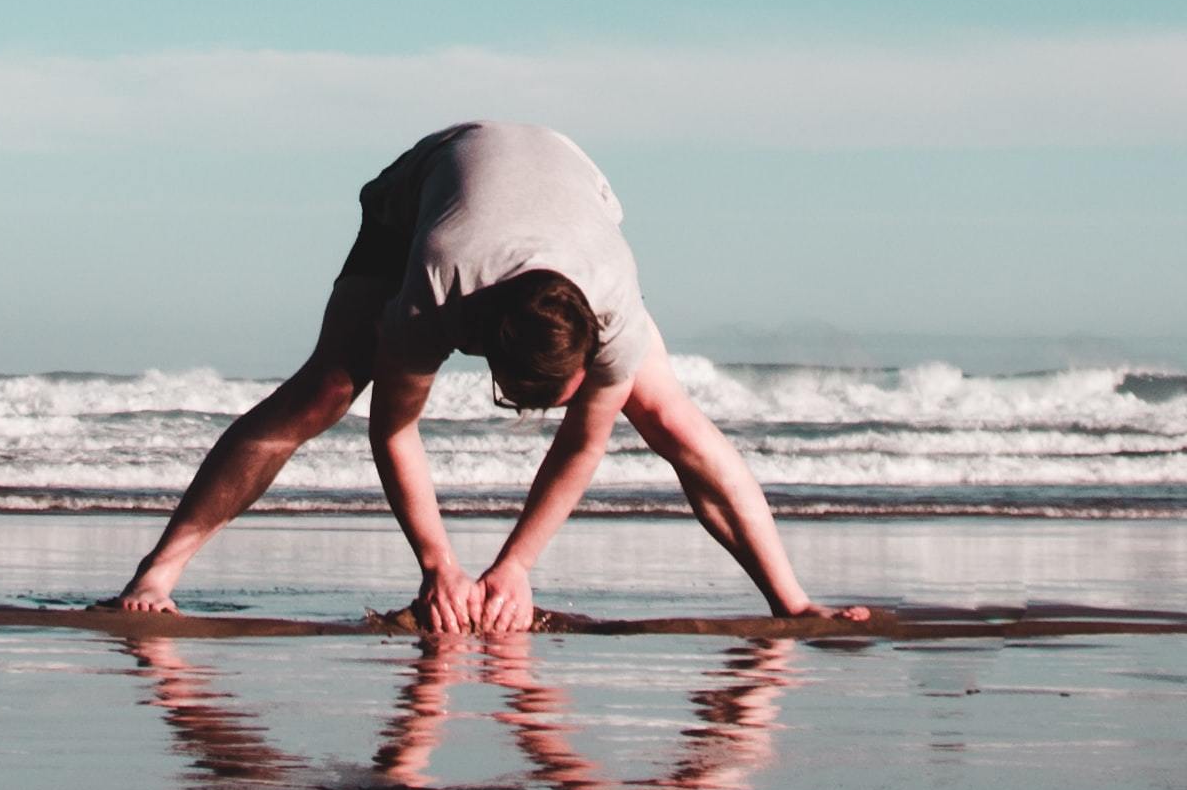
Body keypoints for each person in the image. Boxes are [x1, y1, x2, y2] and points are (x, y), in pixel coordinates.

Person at [106, 121, 859, 635]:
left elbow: (583, 446)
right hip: (420, 193)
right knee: (328, 389)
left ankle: (792, 601)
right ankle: (158, 572)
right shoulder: (437, 284)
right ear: (485, 352)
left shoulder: (614, 309)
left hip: (577, 191)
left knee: (668, 416)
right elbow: (393, 428)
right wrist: (441, 567)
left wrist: (513, 570)